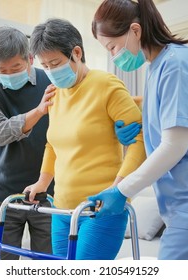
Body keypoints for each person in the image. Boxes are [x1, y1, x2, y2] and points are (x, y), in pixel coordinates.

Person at [89, 0, 188, 260]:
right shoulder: (158, 67)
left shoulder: (177, 65)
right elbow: (166, 118)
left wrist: (122, 190)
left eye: (113, 47)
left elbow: (175, 145)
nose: (114, 56)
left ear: (136, 31)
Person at [24, 18, 146, 260]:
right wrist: (42, 182)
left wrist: (119, 189)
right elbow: (52, 145)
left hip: (101, 208)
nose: (50, 71)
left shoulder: (106, 85)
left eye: (55, 63)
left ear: (76, 52)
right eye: (45, 66)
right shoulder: (55, 94)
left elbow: (140, 140)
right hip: (62, 209)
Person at [0, 26, 56, 260]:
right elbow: (0, 132)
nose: (9, 74)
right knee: (5, 261)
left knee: (49, 263)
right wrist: (39, 111)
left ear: (30, 59)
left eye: (16, 67)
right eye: (1, 69)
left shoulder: (51, 80)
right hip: (4, 194)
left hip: (48, 192)